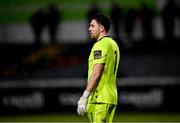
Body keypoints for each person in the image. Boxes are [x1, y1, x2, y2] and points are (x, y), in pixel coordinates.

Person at [77, 13, 120, 123]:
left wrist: (84, 97)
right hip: (111, 97)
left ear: (101, 28)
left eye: (92, 26)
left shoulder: (100, 45)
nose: (89, 29)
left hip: (99, 98)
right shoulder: (113, 44)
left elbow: (97, 72)